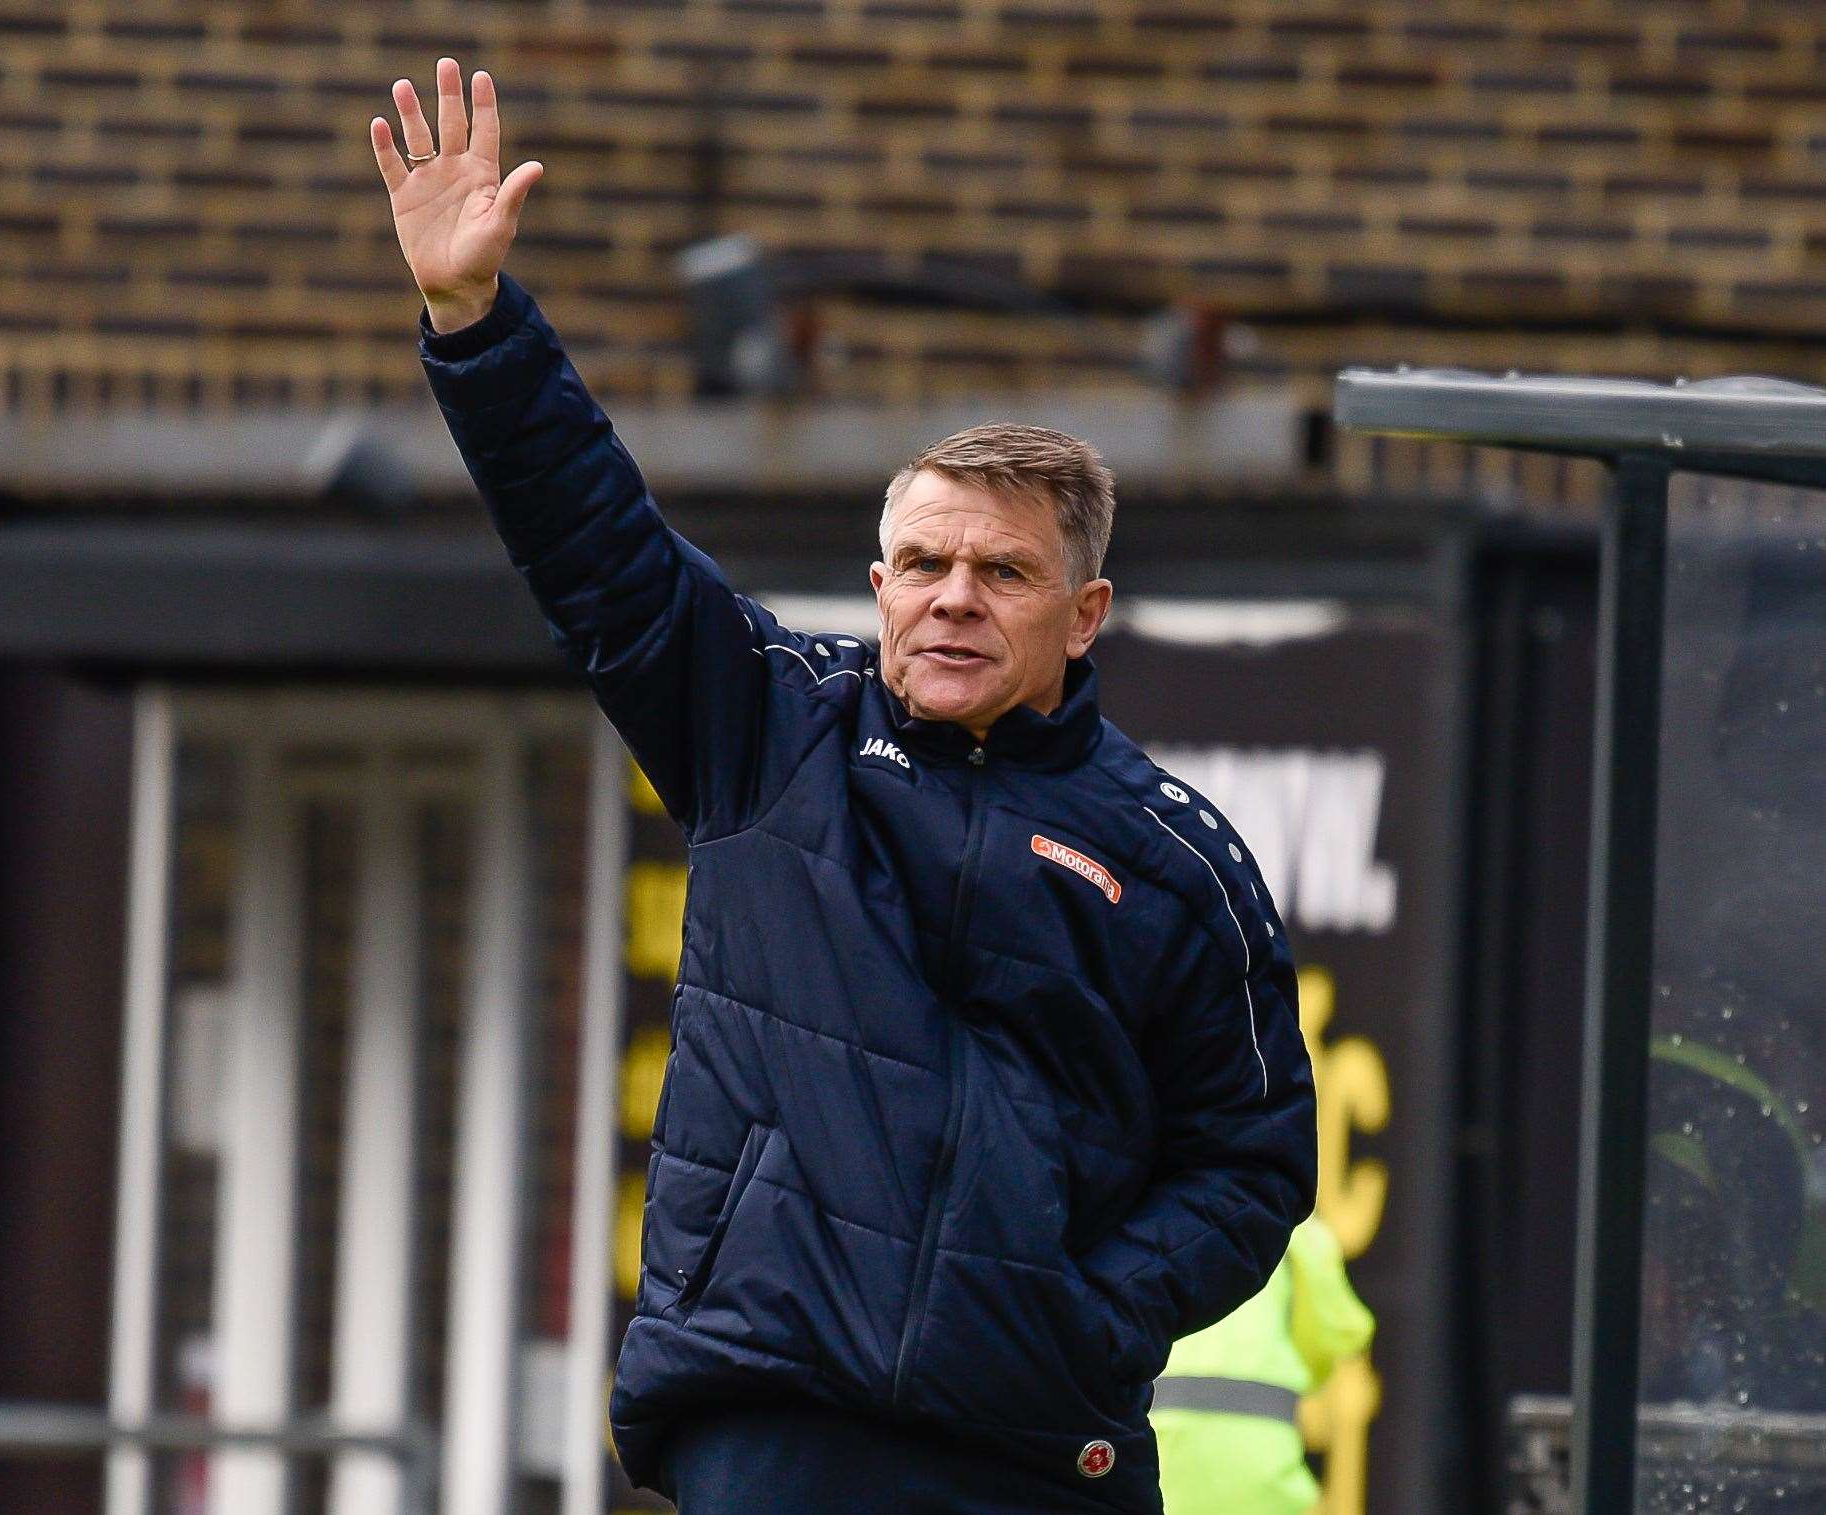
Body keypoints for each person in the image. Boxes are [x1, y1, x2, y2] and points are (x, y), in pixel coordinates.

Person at [372, 59, 1316, 1515]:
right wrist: (472, 319)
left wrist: (1083, 1317)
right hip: (776, 1421)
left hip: (1033, 1447)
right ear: (877, 586)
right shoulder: (764, 722)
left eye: (1002, 570)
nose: (952, 598)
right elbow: (593, 538)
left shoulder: (1174, 860)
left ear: (1084, 611)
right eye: (924, 565)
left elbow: (1249, 1165)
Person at [1151, 1215, 1373, 1515]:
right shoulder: (1293, 1227)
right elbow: (1338, 1332)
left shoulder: (1145, 1213)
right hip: (1260, 1455)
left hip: (1151, 1447)